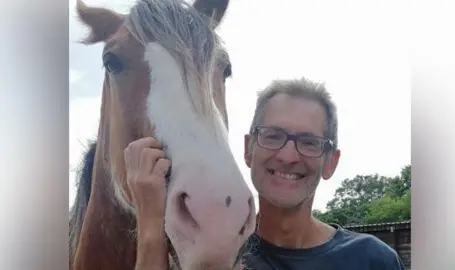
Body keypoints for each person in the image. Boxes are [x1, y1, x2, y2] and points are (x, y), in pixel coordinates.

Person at [125, 78, 407, 270]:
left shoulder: (372, 260)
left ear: (330, 162)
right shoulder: (213, 250)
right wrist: (150, 223)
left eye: (309, 143)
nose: (287, 155)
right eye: (273, 136)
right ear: (249, 150)